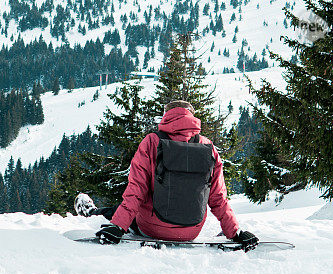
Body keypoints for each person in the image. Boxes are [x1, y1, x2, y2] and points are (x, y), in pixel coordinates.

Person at [74, 100, 258, 250]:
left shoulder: (152, 142)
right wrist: (235, 232)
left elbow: (136, 191)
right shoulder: (208, 146)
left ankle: (92, 212)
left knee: (123, 210)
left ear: (166, 116)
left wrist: (117, 227)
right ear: (191, 116)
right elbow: (218, 198)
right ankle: (101, 214)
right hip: (191, 231)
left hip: (151, 228)